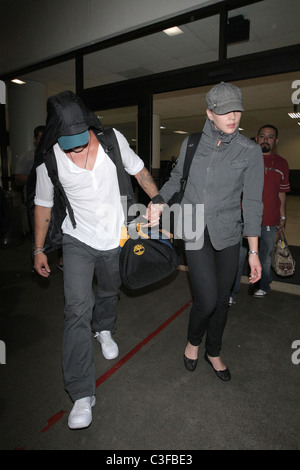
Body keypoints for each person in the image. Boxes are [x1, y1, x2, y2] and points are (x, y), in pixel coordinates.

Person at [33, 90, 162, 429]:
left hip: (117, 236)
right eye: (68, 142)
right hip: (77, 239)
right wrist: (37, 248)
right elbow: (43, 206)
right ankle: (80, 394)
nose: (76, 148)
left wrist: (159, 198)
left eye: (81, 139)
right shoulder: (49, 161)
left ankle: (104, 329)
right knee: (76, 309)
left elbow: (139, 171)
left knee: (108, 292)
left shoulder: (111, 141)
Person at [155, 82, 264, 381]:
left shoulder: (250, 151)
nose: (232, 116)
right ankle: (193, 342)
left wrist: (253, 252)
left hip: (228, 234)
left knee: (221, 300)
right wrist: (158, 200)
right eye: (224, 111)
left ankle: (213, 351)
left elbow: (253, 203)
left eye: (237, 109)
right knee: (205, 299)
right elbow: (176, 179)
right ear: (209, 113)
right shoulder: (191, 143)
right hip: (194, 228)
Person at [252, 125, 290, 297]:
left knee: (265, 257)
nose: (265, 139)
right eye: (262, 136)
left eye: (270, 137)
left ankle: (264, 286)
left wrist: (282, 215)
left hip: (269, 219)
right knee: (238, 258)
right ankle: (231, 291)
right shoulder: (246, 159)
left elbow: (281, 192)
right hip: (244, 218)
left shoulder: (282, 163)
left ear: (276, 141)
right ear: (256, 139)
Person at [15, 125, 45, 196]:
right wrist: (37, 177)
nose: (43, 141)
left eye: (45, 138)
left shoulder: (54, 156)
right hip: (32, 198)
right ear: (35, 139)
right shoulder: (27, 157)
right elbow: (18, 179)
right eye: (40, 138)